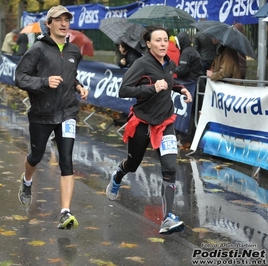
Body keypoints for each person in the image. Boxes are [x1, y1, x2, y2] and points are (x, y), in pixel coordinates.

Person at [105, 26, 192, 235]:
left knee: (170, 168)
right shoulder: (141, 64)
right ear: (149, 44)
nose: (163, 44)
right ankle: (118, 175)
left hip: (165, 122)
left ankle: (168, 218)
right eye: (158, 40)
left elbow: (169, 80)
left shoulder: (169, 63)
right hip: (143, 121)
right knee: (133, 164)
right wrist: (153, 88)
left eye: (165, 40)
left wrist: (180, 89)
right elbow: (124, 90)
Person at [14, 5, 88, 230]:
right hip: (42, 113)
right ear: (49, 24)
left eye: (67, 20)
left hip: (67, 113)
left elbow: (70, 76)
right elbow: (20, 78)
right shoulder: (37, 49)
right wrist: (44, 82)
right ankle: (27, 182)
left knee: (67, 161)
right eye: (59, 20)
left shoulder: (74, 50)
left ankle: (65, 212)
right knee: (36, 156)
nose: (64, 24)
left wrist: (78, 86)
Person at [174, 31, 204, 148]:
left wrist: (173, 69)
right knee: (193, 112)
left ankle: (186, 139)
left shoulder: (186, 52)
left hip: (193, 86)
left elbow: (183, 70)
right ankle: (190, 139)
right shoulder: (191, 51)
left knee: (190, 113)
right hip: (197, 84)